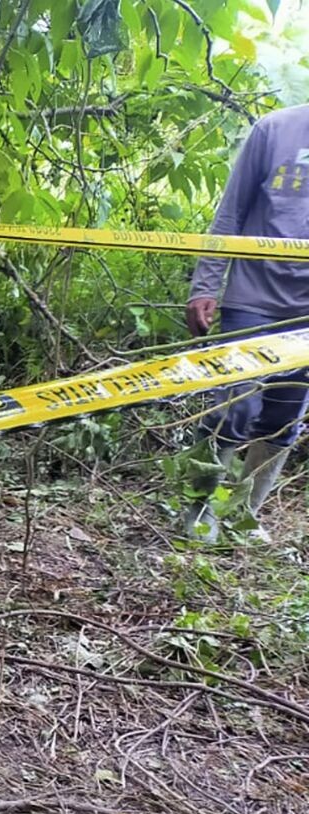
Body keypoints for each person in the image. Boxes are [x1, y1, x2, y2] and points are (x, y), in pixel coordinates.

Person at [181, 103, 309, 544]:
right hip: (253, 296)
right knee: (234, 405)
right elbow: (231, 211)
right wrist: (206, 285)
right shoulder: (275, 130)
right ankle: (198, 510)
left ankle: (243, 513)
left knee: (284, 416)